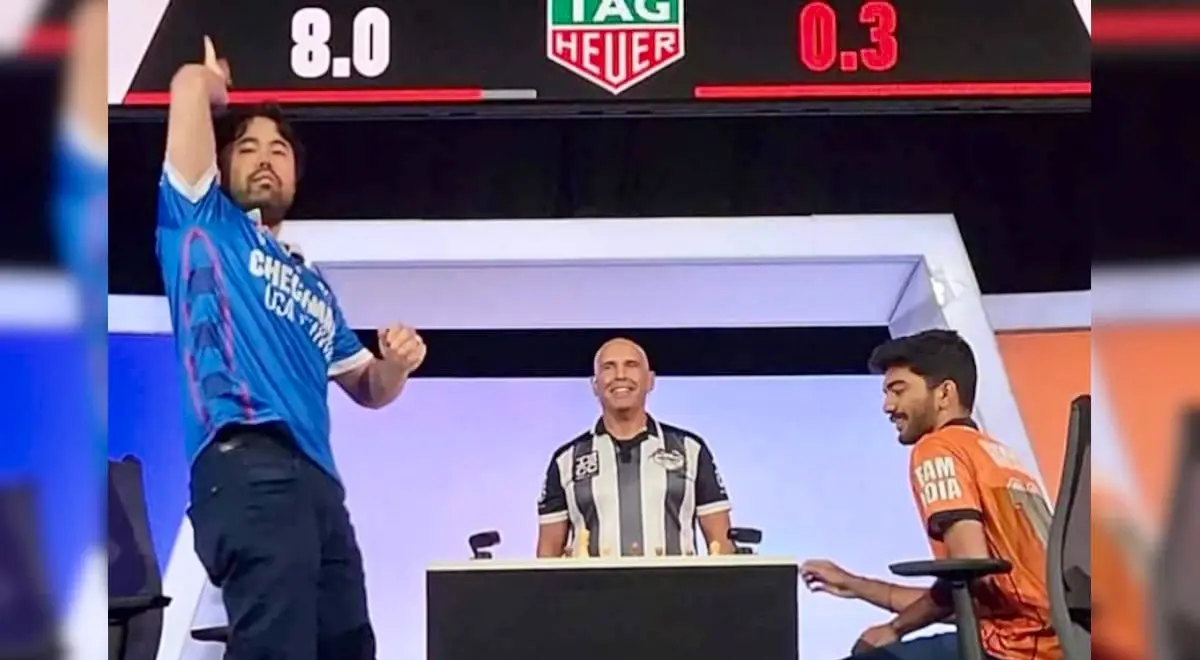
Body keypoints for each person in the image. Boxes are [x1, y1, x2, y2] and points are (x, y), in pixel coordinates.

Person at [158, 38, 425, 659]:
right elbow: (186, 88)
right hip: (246, 463)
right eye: (247, 147)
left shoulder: (314, 284)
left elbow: (368, 387)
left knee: (347, 646)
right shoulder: (201, 221)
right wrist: (212, 85)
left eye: (278, 150)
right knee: (276, 647)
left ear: (296, 176)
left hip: (320, 486)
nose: (264, 159)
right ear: (220, 164)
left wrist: (396, 363)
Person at [801, 329, 1061, 660]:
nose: (888, 406)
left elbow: (971, 571)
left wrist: (895, 628)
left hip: (1012, 649)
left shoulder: (938, 448)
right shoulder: (996, 454)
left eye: (899, 391)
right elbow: (973, 595)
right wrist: (856, 585)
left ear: (944, 393)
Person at [536, 338, 735, 558]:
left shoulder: (691, 449)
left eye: (631, 365)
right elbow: (548, 555)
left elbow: (722, 544)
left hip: (675, 581)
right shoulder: (566, 460)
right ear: (595, 385)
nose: (620, 375)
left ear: (650, 380)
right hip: (594, 582)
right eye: (608, 367)